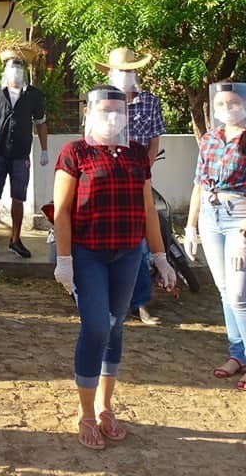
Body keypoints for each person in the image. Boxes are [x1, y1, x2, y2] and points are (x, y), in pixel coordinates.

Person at [52, 86, 176, 450]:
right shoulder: (75, 153)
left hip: (126, 254)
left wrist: (160, 257)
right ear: (89, 113)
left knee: (116, 326)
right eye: (103, 110)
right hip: (88, 252)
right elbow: (61, 210)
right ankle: (86, 412)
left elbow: (149, 210)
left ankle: (106, 407)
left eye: (117, 111)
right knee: (95, 327)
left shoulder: (137, 155)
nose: (111, 117)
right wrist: (64, 260)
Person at [184, 82, 246, 392]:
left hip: (242, 216)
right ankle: (236, 355)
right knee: (225, 291)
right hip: (212, 217)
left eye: (233, 102)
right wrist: (191, 225)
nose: (228, 109)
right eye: (221, 104)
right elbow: (199, 183)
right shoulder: (212, 138)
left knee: (240, 295)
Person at [95, 47, 167, 325]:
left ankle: (141, 302)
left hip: (137, 178)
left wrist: (142, 173)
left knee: (139, 241)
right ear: (111, 73)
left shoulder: (149, 102)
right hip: (104, 178)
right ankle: (110, 302)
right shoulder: (101, 101)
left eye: (130, 70)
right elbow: (89, 137)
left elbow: (153, 142)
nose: (126, 75)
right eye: (121, 71)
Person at [0, 47, 48, 260]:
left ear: (24, 72)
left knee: (19, 198)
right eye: (11, 68)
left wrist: (44, 149)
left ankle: (15, 240)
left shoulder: (33, 95)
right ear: (5, 71)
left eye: (19, 68)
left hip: (21, 155)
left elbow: (41, 123)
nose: (15, 72)